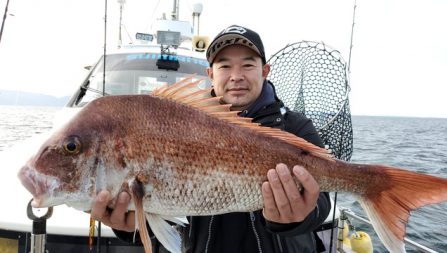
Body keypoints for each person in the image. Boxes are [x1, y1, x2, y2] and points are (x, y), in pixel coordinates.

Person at [91, 25, 331, 253]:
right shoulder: (181, 123)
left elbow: (323, 199)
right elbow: (165, 214)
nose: (236, 76)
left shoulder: (296, 127)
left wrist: (298, 217)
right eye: (225, 66)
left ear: (264, 71)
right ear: (210, 74)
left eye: (247, 65)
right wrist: (129, 222)